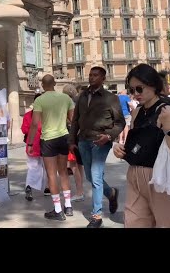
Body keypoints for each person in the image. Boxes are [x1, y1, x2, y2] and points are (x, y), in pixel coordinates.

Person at [113, 64, 170, 228]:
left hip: (160, 175)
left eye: (139, 89)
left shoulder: (166, 110)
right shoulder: (137, 111)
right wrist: (120, 149)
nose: (135, 94)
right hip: (135, 174)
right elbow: (134, 142)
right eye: (132, 90)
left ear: (153, 85)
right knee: (134, 222)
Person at [69, 67, 124, 228]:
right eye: (90, 75)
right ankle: (111, 193)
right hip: (83, 141)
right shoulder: (82, 96)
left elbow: (120, 122)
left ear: (103, 78)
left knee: (96, 176)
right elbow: (75, 120)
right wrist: (72, 140)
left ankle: (96, 215)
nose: (91, 78)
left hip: (101, 141)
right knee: (90, 176)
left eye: (95, 75)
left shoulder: (110, 98)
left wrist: (108, 135)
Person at [27, 74, 75, 221]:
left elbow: (35, 124)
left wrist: (30, 143)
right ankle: (68, 206)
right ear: (54, 83)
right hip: (63, 137)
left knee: (52, 175)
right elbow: (72, 120)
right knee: (63, 172)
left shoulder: (40, 100)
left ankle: (58, 210)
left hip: (48, 139)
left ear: (42, 85)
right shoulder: (66, 98)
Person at [21, 93, 48, 201]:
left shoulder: (28, 115)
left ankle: (30, 186)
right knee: (47, 167)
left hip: (33, 144)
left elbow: (24, 129)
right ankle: (46, 187)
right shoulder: (46, 115)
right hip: (41, 144)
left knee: (33, 167)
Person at [62, 84, 85, 202]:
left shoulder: (68, 105)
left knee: (73, 165)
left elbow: (71, 122)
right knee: (79, 165)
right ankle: (81, 190)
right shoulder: (78, 104)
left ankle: (79, 191)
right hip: (79, 137)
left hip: (72, 137)